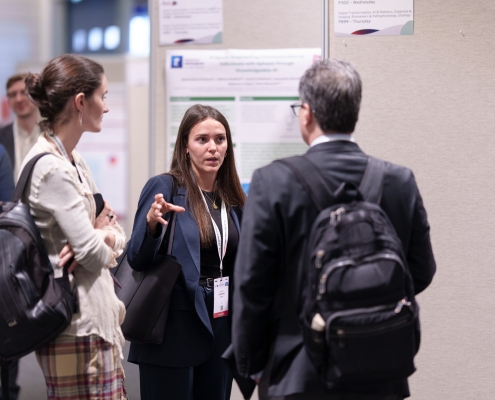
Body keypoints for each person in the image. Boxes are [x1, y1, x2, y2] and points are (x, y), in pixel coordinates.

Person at [229, 59, 436, 400]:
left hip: (297, 373)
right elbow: (421, 271)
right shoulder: (399, 181)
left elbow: (252, 286)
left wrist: (250, 365)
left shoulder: (273, 182)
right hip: (381, 371)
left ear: (306, 113)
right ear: (355, 110)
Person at [21, 54, 127, 399]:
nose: (106, 107)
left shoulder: (74, 160)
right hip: (77, 329)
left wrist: (101, 233)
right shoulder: (52, 168)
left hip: (96, 326)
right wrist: (100, 237)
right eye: (103, 96)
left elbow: (112, 233)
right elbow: (93, 255)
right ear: (81, 102)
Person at [127, 104, 245, 400]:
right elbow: (137, 258)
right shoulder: (166, 187)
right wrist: (151, 225)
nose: (212, 148)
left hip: (221, 321)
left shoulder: (233, 199)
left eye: (220, 139)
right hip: (174, 326)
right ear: (185, 146)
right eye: (202, 139)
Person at [0, 73, 41, 182]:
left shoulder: (53, 135)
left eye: (24, 92)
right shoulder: (1, 138)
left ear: (36, 96)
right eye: (13, 94)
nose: (18, 99)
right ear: (8, 101)